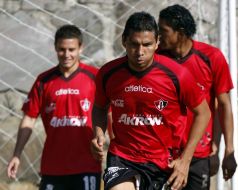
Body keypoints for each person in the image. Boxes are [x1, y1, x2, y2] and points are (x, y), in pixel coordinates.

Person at [91, 11, 211, 190]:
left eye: (146, 44)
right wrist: (98, 132)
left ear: (157, 43)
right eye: (134, 44)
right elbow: (100, 107)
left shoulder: (177, 75)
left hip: (163, 161)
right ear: (124, 41)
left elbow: (203, 113)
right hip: (123, 156)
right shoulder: (108, 73)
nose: (140, 52)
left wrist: (185, 160)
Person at [7, 25, 102, 190]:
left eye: (71, 49)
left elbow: (109, 114)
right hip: (53, 168)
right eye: (62, 49)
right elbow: (29, 119)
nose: (66, 55)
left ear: (81, 48)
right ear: (55, 48)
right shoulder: (44, 81)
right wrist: (17, 154)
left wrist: (107, 144)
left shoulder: (95, 77)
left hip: (87, 165)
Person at [158, 4, 237, 189]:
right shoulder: (156, 58)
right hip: (164, 154)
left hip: (198, 154)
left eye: (164, 31)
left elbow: (223, 105)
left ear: (181, 32)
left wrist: (226, 150)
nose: (158, 36)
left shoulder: (212, 57)